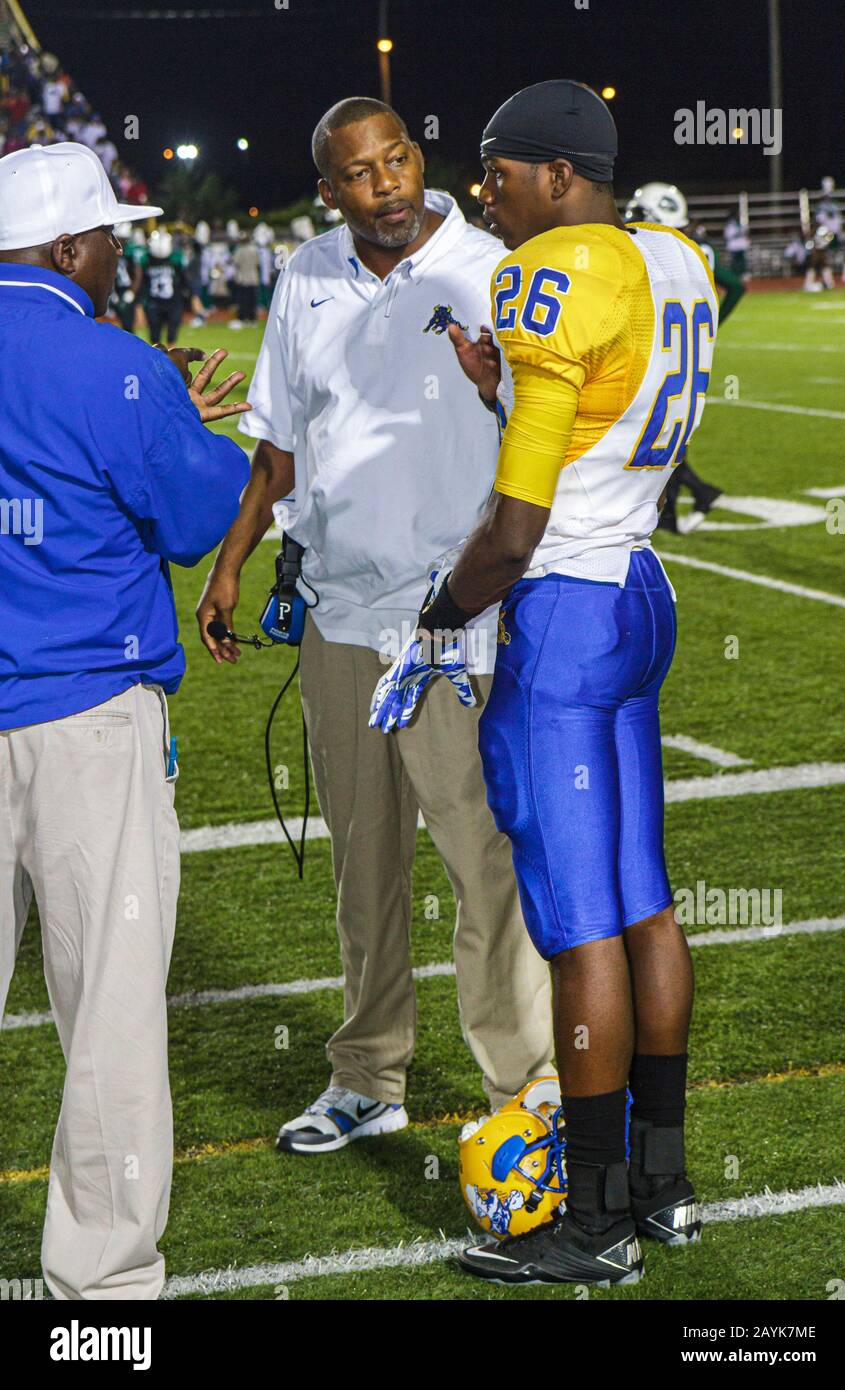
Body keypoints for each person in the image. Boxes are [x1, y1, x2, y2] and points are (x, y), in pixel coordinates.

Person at [371, 80, 717, 1286]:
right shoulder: (671, 259)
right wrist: (500, 389)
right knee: (643, 904)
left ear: (559, 177)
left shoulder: (551, 268)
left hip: (563, 608)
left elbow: (515, 528)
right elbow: (599, 424)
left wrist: (437, 612)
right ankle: (663, 1185)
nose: (484, 189)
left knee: (578, 933)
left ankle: (597, 1215)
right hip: (639, 588)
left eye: (499, 169)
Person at [196, 97, 555, 1152]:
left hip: (452, 617)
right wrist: (228, 567)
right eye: (359, 173)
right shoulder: (305, 273)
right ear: (329, 191)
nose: (386, 183)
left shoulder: (494, 266)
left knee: (481, 859)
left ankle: (520, 1083)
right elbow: (277, 445)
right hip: (338, 612)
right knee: (364, 863)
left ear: (417, 158)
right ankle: (367, 1074)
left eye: (396, 159)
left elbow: (545, 432)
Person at [0, 142, 250, 1300]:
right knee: (105, 1012)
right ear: (65, 247)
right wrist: (170, 420)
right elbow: (199, 508)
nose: (118, 252)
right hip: (84, 716)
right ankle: (100, 1296)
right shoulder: (116, 366)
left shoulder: (115, 365)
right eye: (107, 235)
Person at [624, 183, 745, 533]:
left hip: (657, 353)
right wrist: (711, 322)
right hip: (689, 350)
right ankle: (676, 510)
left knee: (661, 437)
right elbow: (735, 286)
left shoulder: (651, 251)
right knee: (672, 435)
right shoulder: (696, 250)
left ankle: (687, 501)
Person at [142, 227, 189, 345]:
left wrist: (191, 295)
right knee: (154, 337)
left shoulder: (176, 258)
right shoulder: (146, 259)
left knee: (171, 336)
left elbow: (184, 279)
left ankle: (169, 362)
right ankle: (157, 362)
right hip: (154, 302)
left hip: (173, 301)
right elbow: (143, 281)